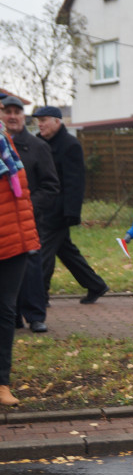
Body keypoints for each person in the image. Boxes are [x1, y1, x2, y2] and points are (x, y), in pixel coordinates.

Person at [30, 106, 109, 304]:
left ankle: (39, 295)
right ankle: (96, 285)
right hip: (42, 208)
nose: (40, 124)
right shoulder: (38, 144)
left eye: (44, 119)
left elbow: (75, 182)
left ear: (57, 121)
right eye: (38, 120)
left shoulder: (70, 145)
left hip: (58, 211)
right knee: (66, 251)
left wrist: (71, 212)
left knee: (44, 252)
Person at [3, 96, 58, 334]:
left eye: (17, 112)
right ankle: (12, 316)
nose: (12, 116)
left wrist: (28, 207)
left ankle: (36, 315)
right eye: (7, 112)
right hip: (4, 225)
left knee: (32, 269)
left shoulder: (38, 147)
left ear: (23, 116)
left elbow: (51, 186)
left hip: (29, 220)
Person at [0, 124, 38, 406]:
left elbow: (20, 197)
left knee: (5, 313)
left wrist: (26, 237)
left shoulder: (6, 141)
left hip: (14, 240)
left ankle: (1, 383)